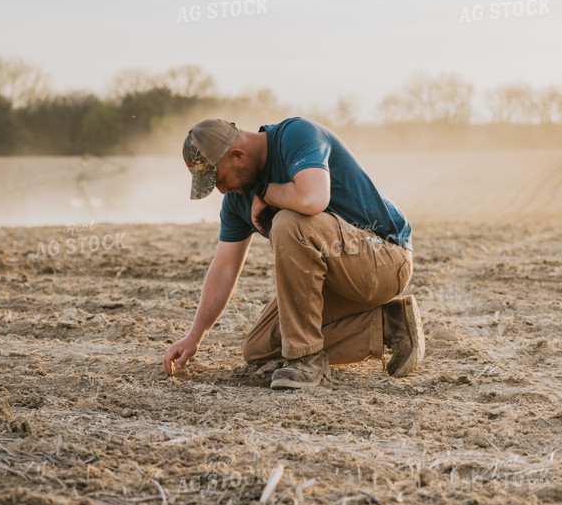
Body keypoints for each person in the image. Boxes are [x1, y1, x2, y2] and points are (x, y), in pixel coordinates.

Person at [161, 117, 425, 389]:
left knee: (288, 223)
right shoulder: (235, 200)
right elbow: (224, 269)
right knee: (260, 349)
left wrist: (265, 193)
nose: (221, 190)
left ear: (238, 155)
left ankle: (306, 359)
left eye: (219, 178)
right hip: (336, 278)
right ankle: (389, 326)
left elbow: (312, 199)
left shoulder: (297, 135)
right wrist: (194, 337)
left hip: (385, 258)